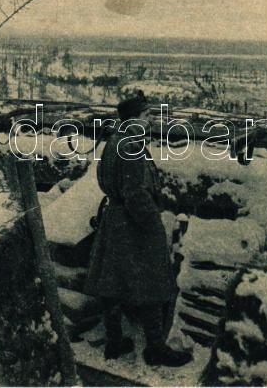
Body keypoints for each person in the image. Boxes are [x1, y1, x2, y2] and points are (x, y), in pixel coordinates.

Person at [84, 92, 193, 367]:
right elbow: (135, 192)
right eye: (146, 115)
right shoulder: (131, 145)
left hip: (115, 220)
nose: (150, 120)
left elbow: (106, 181)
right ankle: (155, 347)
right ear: (134, 118)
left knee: (114, 282)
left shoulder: (114, 141)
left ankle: (114, 342)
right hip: (134, 224)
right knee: (152, 281)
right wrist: (153, 223)